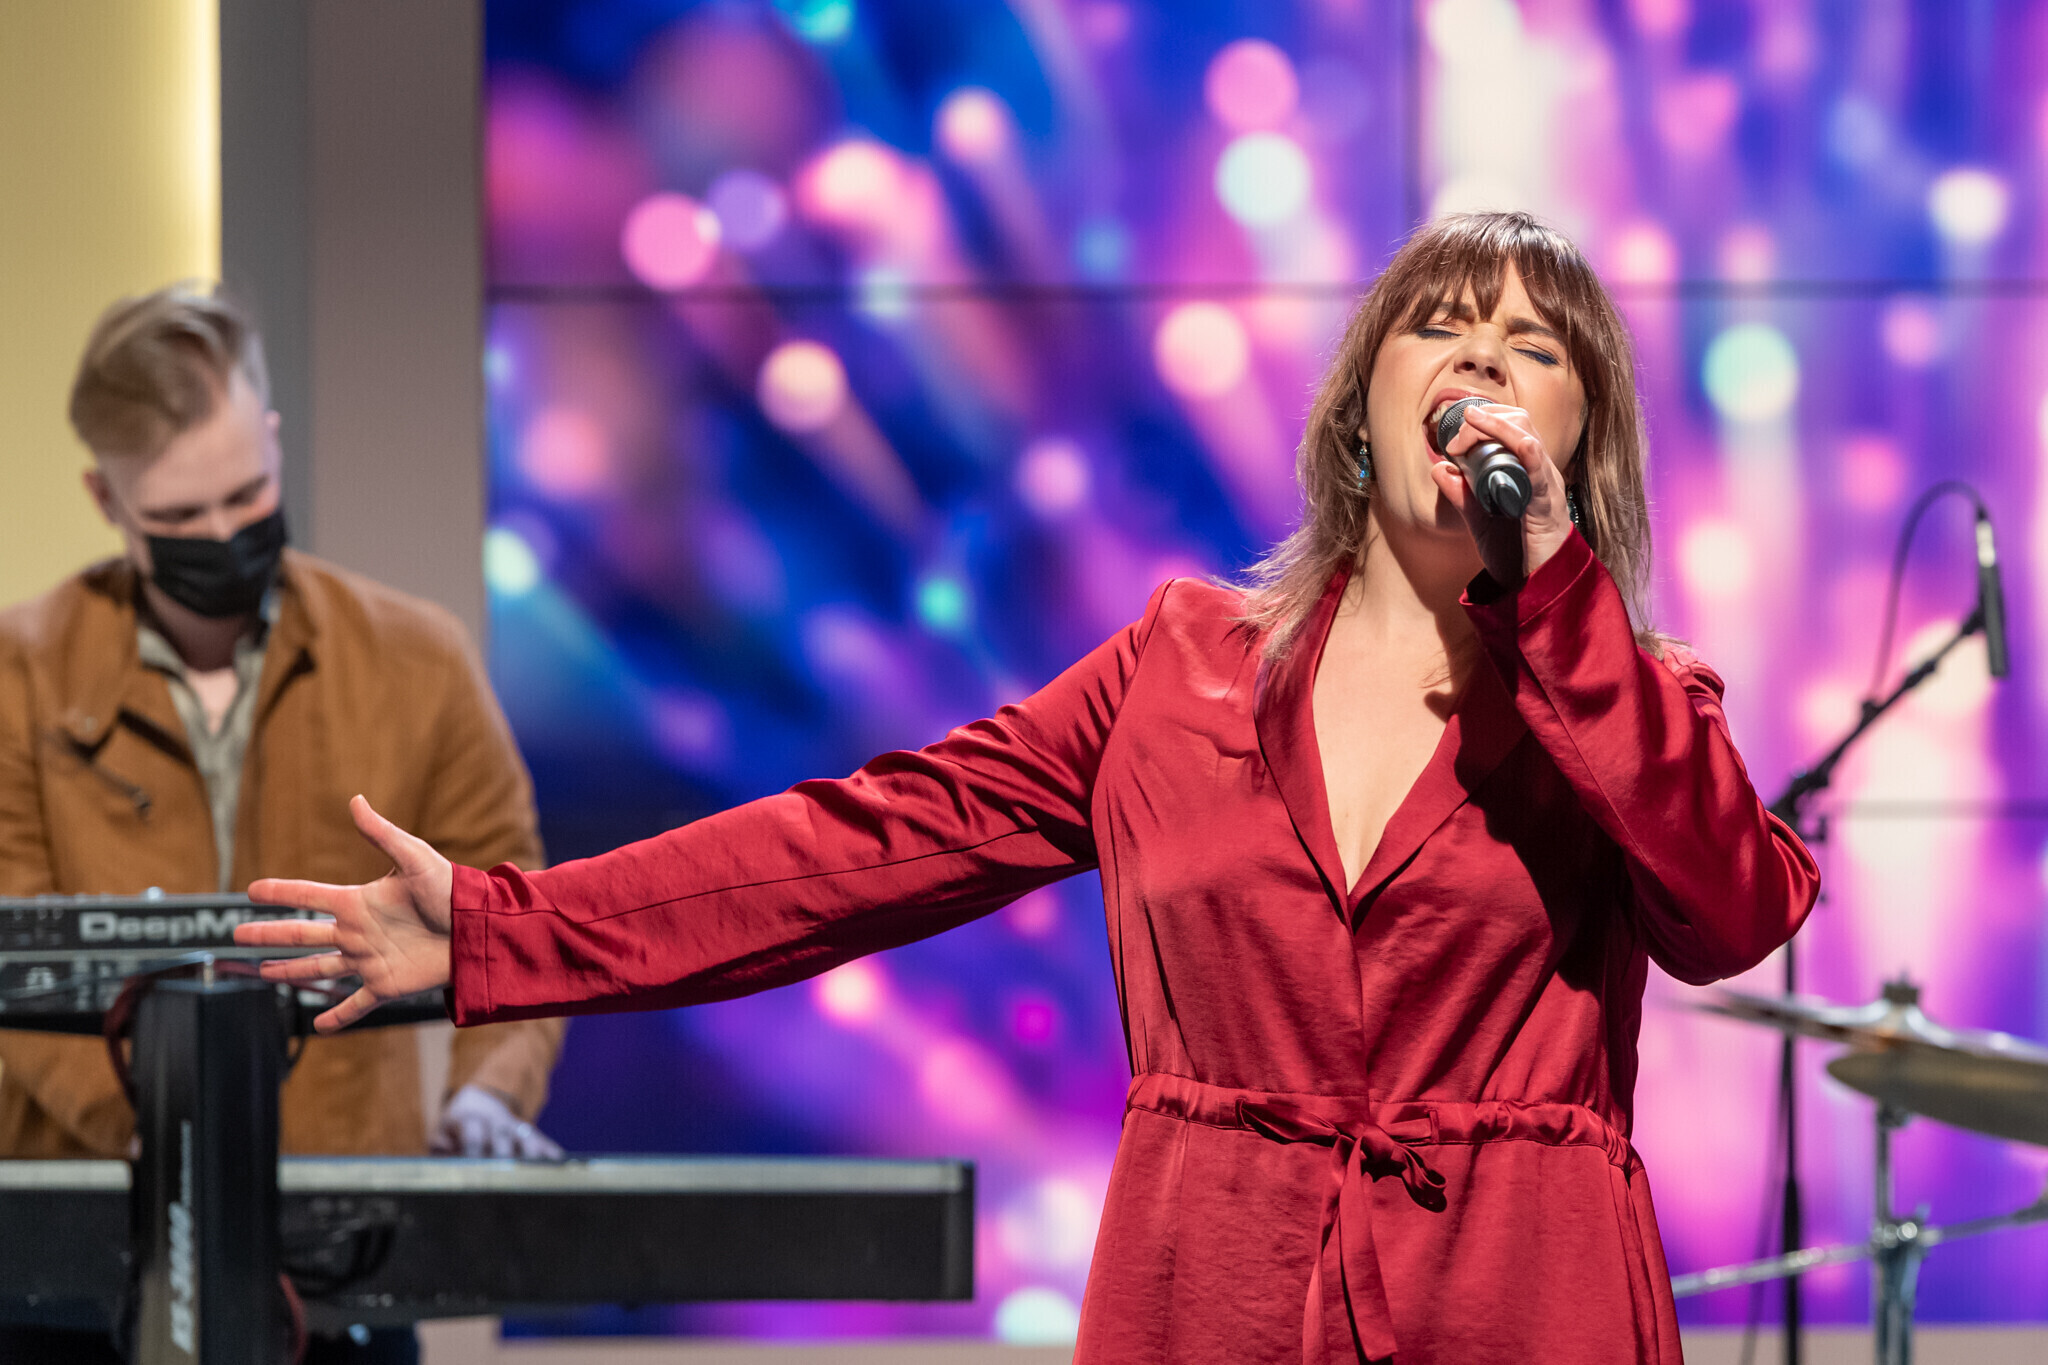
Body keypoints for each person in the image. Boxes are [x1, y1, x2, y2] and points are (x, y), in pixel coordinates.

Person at [241, 213, 1820, 1363]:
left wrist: (1556, 601)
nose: (1481, 357)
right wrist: (504, 932)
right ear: (1358, 409)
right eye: (1442, 328)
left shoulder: (1635, 702)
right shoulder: (1179, 670)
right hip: (1217, 1295)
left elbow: (1734, 908)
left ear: (1577, 446)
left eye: (1534, 349)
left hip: (1520, 1304)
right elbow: (859, 846)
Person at [0, 284, 567, 1365]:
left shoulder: (417, 661)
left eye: (245, 494)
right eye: (178, 518)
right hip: (75, 1273)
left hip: (343, 1260)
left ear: (272, 438)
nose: (221, 534)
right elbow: (16, 970)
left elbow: (509, 912)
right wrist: (185, 1146)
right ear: (105, 498)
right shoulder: (16, 675)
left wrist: (488, 1098)